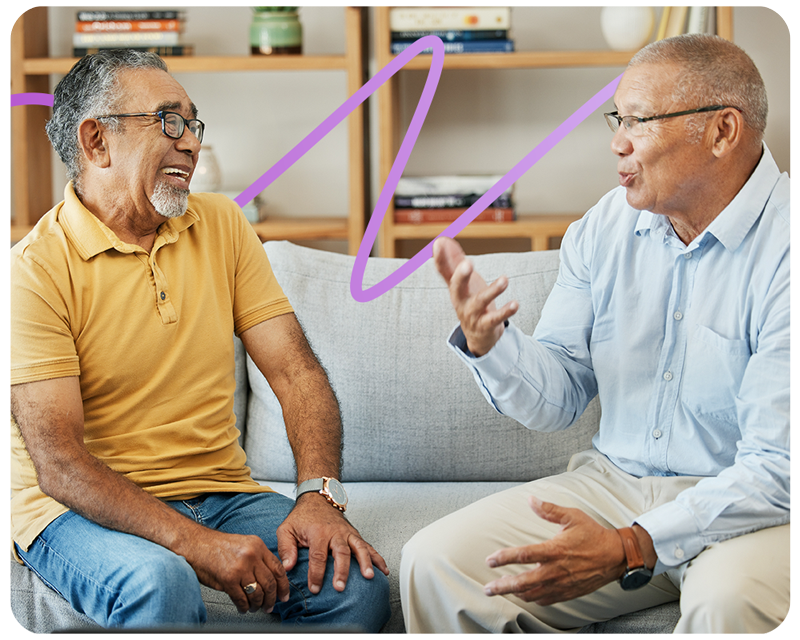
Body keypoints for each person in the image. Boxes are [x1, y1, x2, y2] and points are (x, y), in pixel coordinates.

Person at [400, 34, 789, 633]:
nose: (618, 142)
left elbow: (778, 469)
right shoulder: (605, 226)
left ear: (722, 131)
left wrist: (632, 546)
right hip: (616, 486)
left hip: (755, 509)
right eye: (618, 118)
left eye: (641, 120)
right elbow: (557, 398)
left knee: (727, 602)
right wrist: (493, 344)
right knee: (434, 562)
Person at [10, 49, 390, 631]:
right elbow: (60, 466)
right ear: (96, 142)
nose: (188, 141)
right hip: (73, 511)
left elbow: (295, 371)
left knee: (353, 585)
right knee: (159, 584)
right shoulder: (31, 272)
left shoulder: (222, 224)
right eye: (167, 120)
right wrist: (197, 545)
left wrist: (318, 495)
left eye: (192, 122)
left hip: (221, 493)